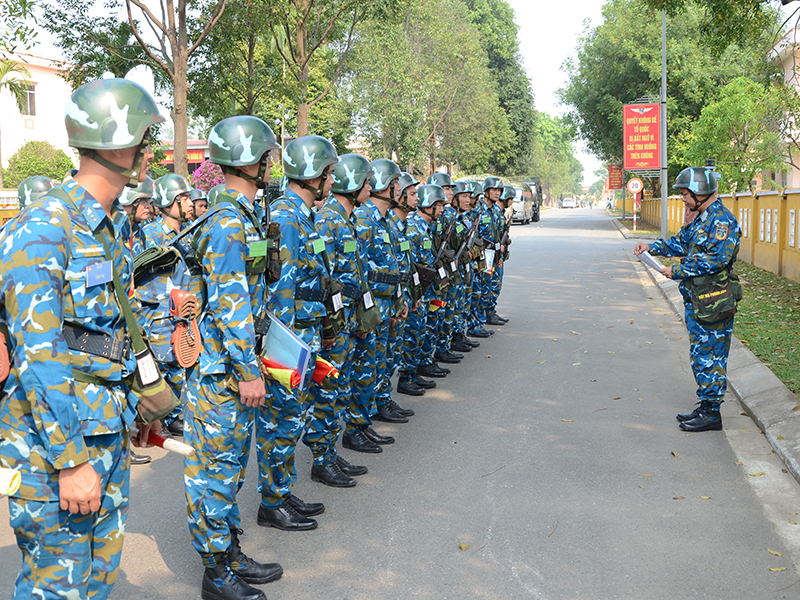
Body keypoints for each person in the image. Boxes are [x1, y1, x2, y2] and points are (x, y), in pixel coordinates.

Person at [0, 77, 162, 600]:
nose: (149, 151)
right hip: (55, 452)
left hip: (103, 428)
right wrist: (70, 462)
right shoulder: (44, 228)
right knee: (57, 588)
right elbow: (39, 357)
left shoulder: (105, 226)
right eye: (145, 138)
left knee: (95, 583)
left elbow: (107, 334)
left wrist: (137, 405)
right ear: (121, 141)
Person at [184, 115, 283, 600]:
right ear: (251, 161)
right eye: (267, 157)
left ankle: (229, 553)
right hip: (222, 372)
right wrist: (248, 370)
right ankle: (214, 573)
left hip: (234, 367)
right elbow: (229, 303)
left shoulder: (242, 216)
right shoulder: (226, 224)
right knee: (213, 472)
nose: (272, 165)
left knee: (230, 470)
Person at [256, 135, 336, 531]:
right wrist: (285, 350)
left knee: (293, 418)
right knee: (280, 419)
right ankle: (271, 502)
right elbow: (281, 288)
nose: (333, 181)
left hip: (306, 332)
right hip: (292, 337)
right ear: (312, 174)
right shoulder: (287, 216)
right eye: (329, 173)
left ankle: (281, 492)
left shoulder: (302, 214)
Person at [633, 166, 741, 432]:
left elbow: (717, 260)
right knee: (700, 355)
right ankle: (705, 406)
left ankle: (712, 414)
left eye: (684, 193)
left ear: (699, 192)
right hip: (698, 299)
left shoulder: (722, 222)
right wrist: (652, 247)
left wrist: (678, 270)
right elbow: (681, 243)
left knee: (710, 356)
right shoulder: (703, 218)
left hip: (713, 301)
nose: (682, 198)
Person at [302, 153, 373, 481]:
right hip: (334, 320)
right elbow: (324, 278)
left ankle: (330, 451)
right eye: (366, 182)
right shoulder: (329, 218)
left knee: (339, 387)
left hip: (346, 318)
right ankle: (321, 459)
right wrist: (329, 325)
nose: (370, 188)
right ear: (353, 183)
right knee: (327, 388)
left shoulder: (345, 218)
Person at [353, 159, 408, 428]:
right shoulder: (364, 219)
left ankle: (379, 403)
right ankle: (362, 421)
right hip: (372, 306)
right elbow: (360, 272)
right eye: (396, 183)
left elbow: (393, 265)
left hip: (388, 303)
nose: (400, 189)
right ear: (384, 185)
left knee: (383, 360)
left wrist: (399, 300)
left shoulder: (386, 221)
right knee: (367, 367)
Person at [139, 173, 196, 437]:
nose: (189, 202)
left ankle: (175, 413)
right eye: (183, 198)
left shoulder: (185, 233)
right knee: (162, 363)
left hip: (179, 310)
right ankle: (166, 416)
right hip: (157, 311)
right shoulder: (152, 233)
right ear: (169, 201)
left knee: (176, 361)